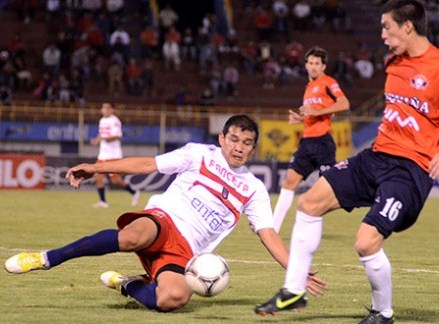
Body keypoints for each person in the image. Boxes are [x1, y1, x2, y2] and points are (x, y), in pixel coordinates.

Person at [4, 115, 327, 312]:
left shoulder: (254, 189)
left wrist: (296, 270)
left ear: (253, 148)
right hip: (164, 220)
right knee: (134, 236)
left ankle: (129, 284)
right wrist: (96, 167)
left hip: (186, 252)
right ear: (221, 139)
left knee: (174, 298)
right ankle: (47, 258)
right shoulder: (198, 155)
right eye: (234, 139)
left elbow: (267, 234)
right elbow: (147, 165)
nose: (239, 147)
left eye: (247, 142)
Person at [255, 1, 439, 323]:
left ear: (408, 26)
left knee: (365, 243)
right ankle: (293, 291)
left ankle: (383, 314)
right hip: (376, 156)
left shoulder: (438, 66)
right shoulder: (393, 62)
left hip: (409, 170)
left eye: (387, 26)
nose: (382, 34)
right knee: (309, 203)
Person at [273, 46, 350, 233]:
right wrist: (301, 118)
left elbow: (344, 103)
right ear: (306, 65)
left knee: (328, 189)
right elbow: (313, 114)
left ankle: (352, 198)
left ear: (323, 66)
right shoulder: (308, 88)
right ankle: (272, 228)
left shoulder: (328, 82)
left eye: (317, 63)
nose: (313, 67)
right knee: (290, 182)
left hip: (323, 142)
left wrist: (317, 111)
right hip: (307, 142)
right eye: (310, 63)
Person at [91, 102, 140, 208]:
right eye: (103, 108)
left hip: (113, 154)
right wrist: (97, 140)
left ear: (112, 110)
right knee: (98, 177)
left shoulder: (115, 121)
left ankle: (134, 192)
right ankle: (103, 202)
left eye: (107, 108)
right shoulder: (102, 120)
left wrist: (103, 138)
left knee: (116, 181)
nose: (105, 110)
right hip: (103, 155)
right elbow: (102, 133)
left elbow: (117, 136)